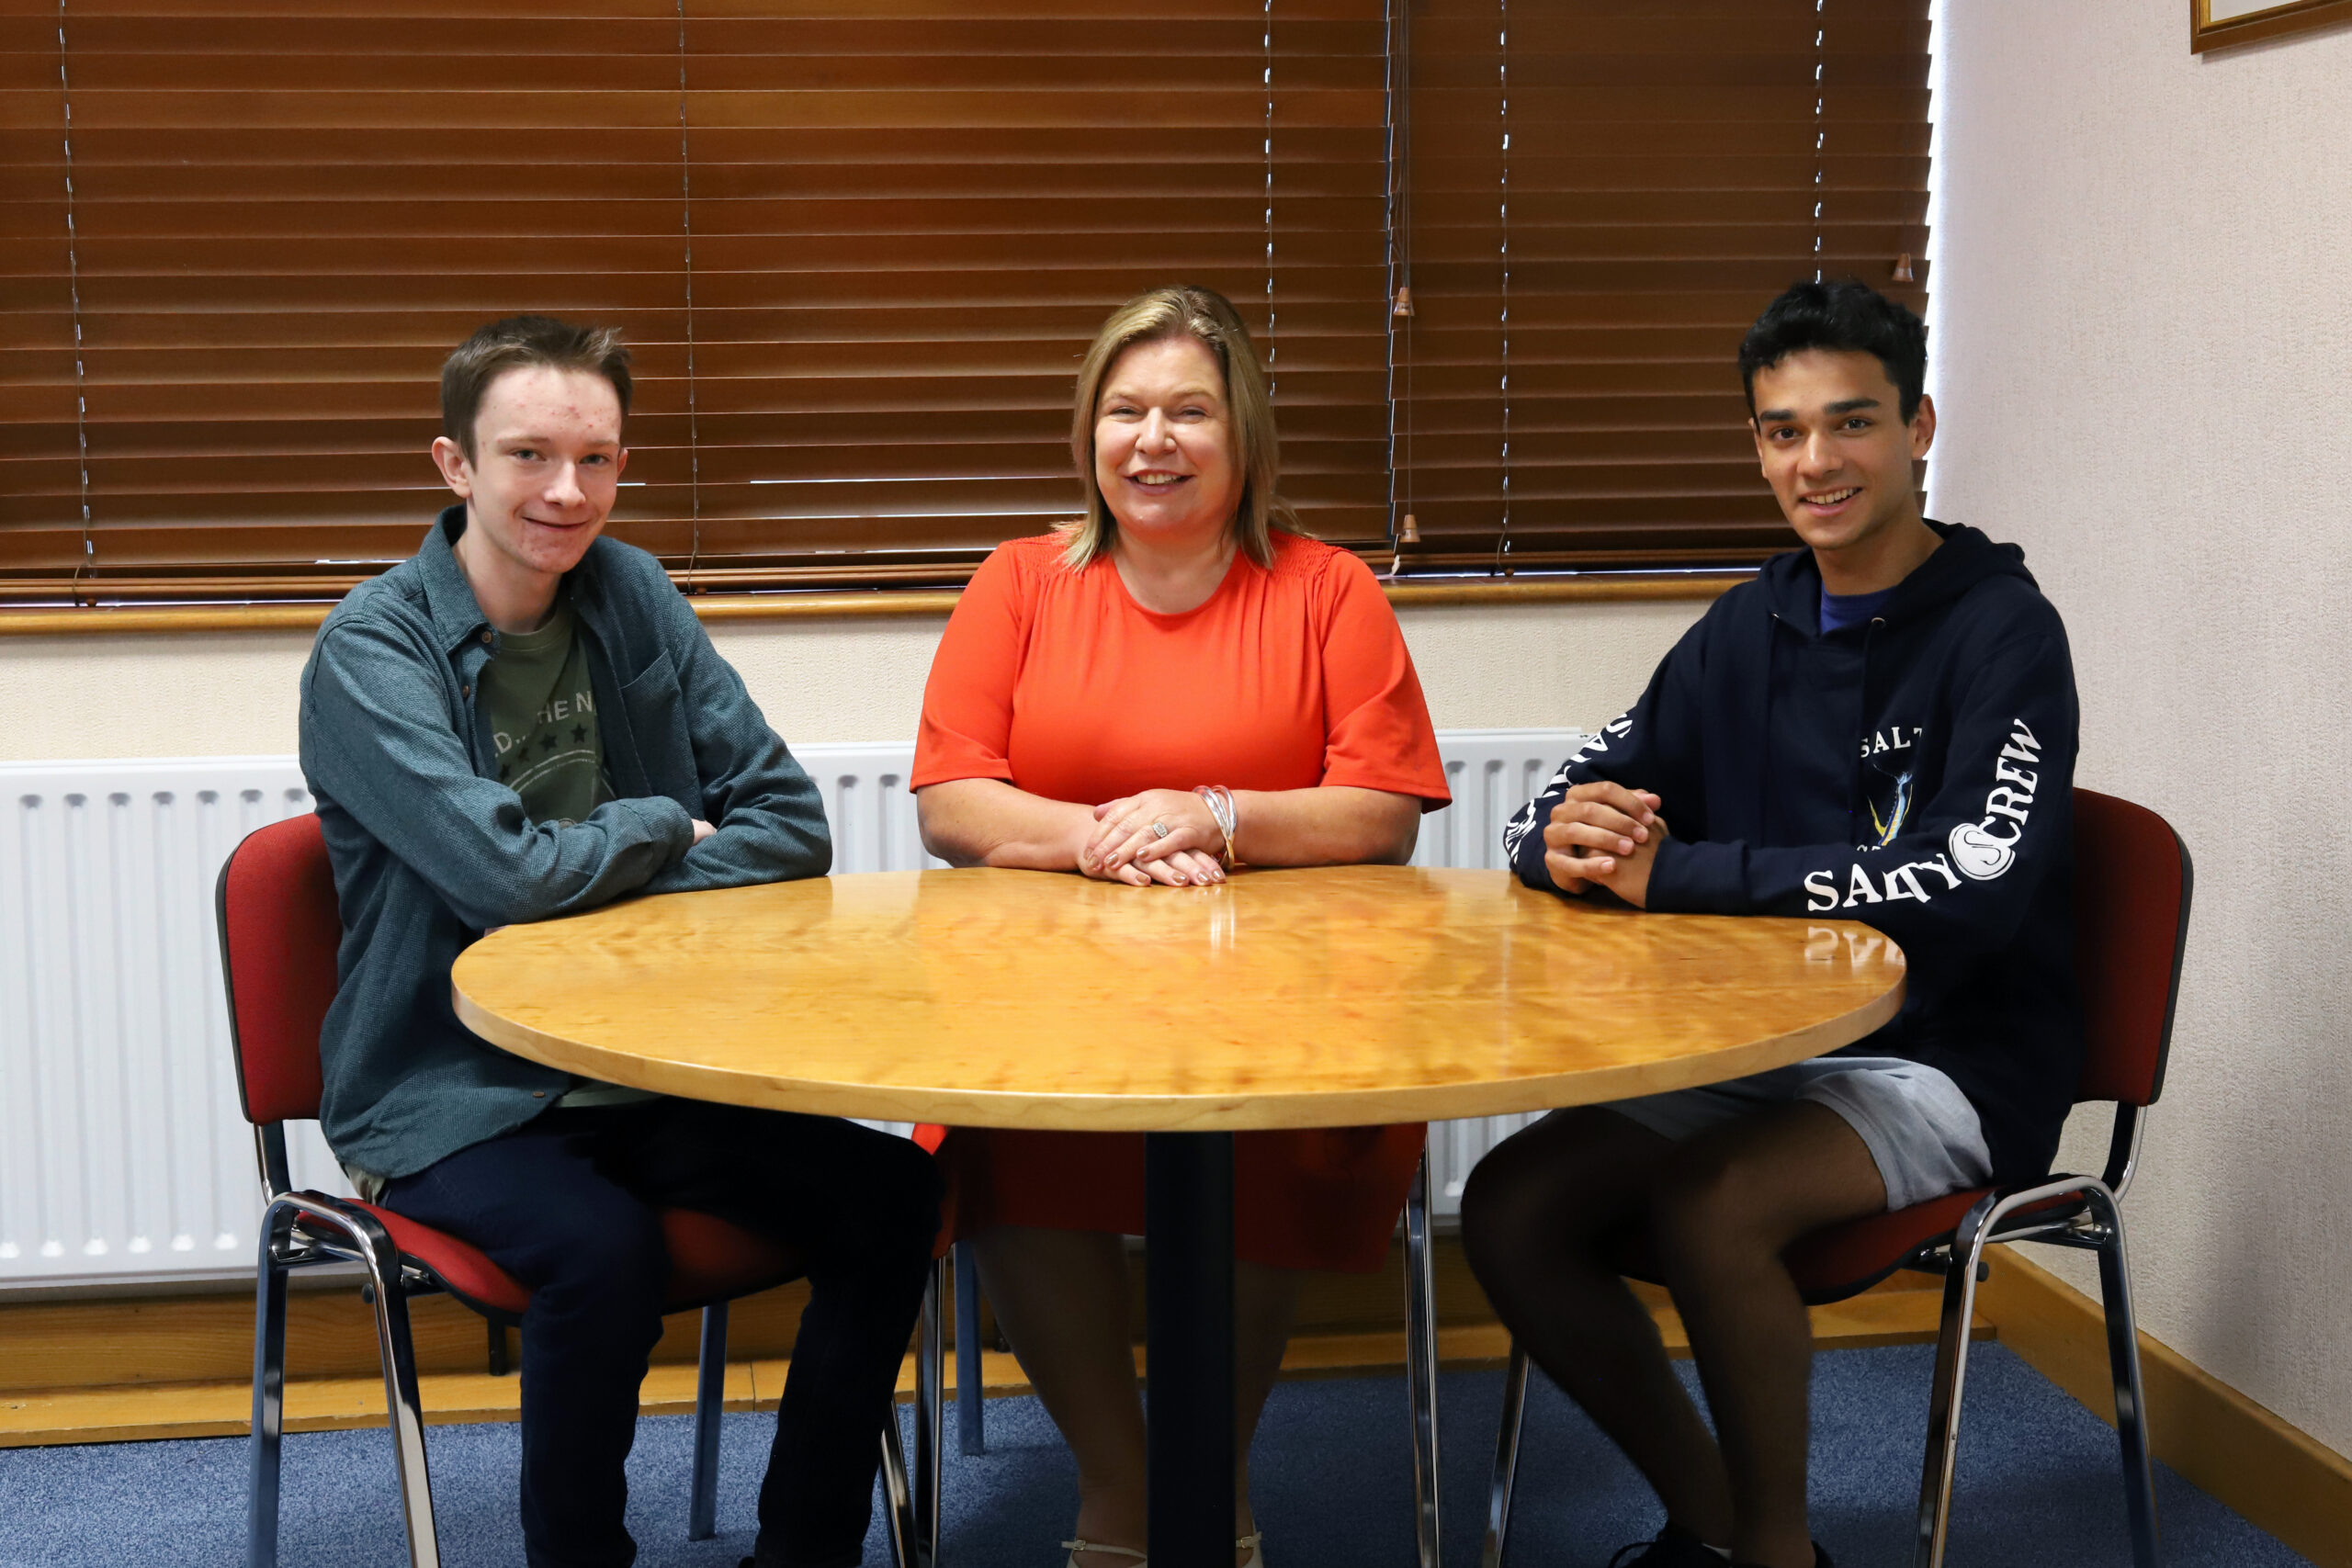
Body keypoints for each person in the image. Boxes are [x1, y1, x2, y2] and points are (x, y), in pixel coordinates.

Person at [298, 315, 941, 1568]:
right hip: (450, 1090)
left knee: (895, 1194)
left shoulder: (633, 593)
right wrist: (655, 822)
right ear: (455, 465)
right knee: (603, 1254)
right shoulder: (371, 652)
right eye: (528, 455)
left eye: (596, 459)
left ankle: (805, 1555)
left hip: (645, 1067)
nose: (566, 491)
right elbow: (498, 876)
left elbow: (789, 825)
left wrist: (573, 869)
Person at [1460, 279, 2083, 1568]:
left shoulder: (2005, 630)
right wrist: (1555, 843)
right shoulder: (1750, 623)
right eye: (1784, 431)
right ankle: (1714, 1527)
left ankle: (1779, 1554)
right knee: (1512, 1202)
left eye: (1851, 423)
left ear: (1917, 426)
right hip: (1767, 1048)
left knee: (1714, 1203)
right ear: (1756, 445)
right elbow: (1571, 797)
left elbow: (1969, 883)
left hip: (1951, 1055)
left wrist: (1678, 875)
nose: (1817, 461)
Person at [911, 285, 1452, 1567]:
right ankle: (1125, 1493)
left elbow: (1383, 812)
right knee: (1007, 1143)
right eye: (1126, 409)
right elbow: (951, 798)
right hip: (1052, 994)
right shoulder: (1019, 581)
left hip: (1282, 997)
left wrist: (1216, 815)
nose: (1153, 439)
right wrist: (1104, 840)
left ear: (1244, 431)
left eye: (1190, 411)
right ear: (1089, 433)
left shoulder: (1328, 589)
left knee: (1264, 1140)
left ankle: (1212, 1480)